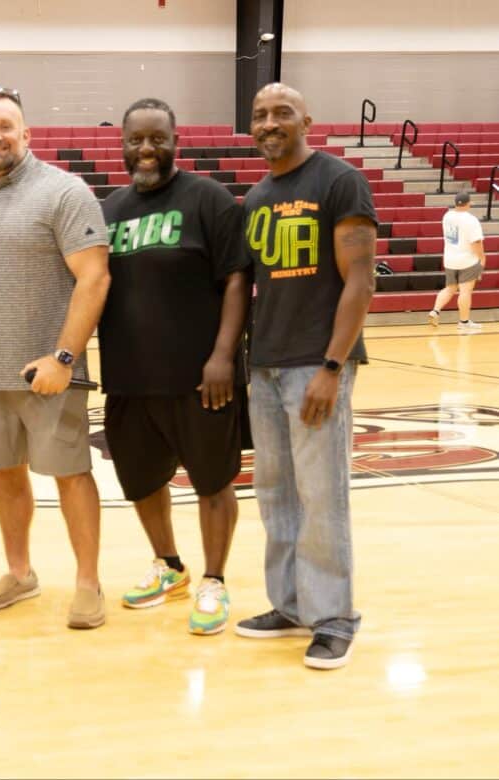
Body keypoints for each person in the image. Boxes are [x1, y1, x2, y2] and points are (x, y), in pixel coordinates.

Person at [0, 87, 111, 629]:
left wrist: (64, 357)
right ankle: (20, 573)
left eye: (4, 126)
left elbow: (95, 277)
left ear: (26, 134)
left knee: (70, 473)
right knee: (5, 471)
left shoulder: (64, 191)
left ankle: (87, 582)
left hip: (50, 371)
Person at [236, 83, 377, 670]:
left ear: (306, 121)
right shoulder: (257, 196)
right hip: (266, 364)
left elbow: (361, 278)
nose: (269, 123)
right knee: (276, 494)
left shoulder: (339, 181)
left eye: (282, 113)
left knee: (321, 494)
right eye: (260, 115)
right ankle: (292, 605)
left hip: (315, 365)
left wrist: (332, 366)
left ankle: (334, 616)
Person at [98, 98, 251, 635]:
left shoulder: (209, 200)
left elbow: (237, 279)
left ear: (175, 142)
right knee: (141, 480)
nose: (146, 149)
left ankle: (214, 579)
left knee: (213, 481)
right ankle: (169, 566)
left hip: (200, 378)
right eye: (136, 139)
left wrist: (223, 356)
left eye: (157, 139)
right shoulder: (109, 210)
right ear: (122, 144)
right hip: (129, 376)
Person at [429, 190, 486, 333]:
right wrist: (482, 258)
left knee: (450, 288)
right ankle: (464, 322)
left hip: (450, 259)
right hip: (467, 260)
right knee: (465, 291)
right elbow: (476, 242)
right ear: (469, 203)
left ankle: (435, 311)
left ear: (455, 203)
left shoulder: (447, 216)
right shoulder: (471, 220)